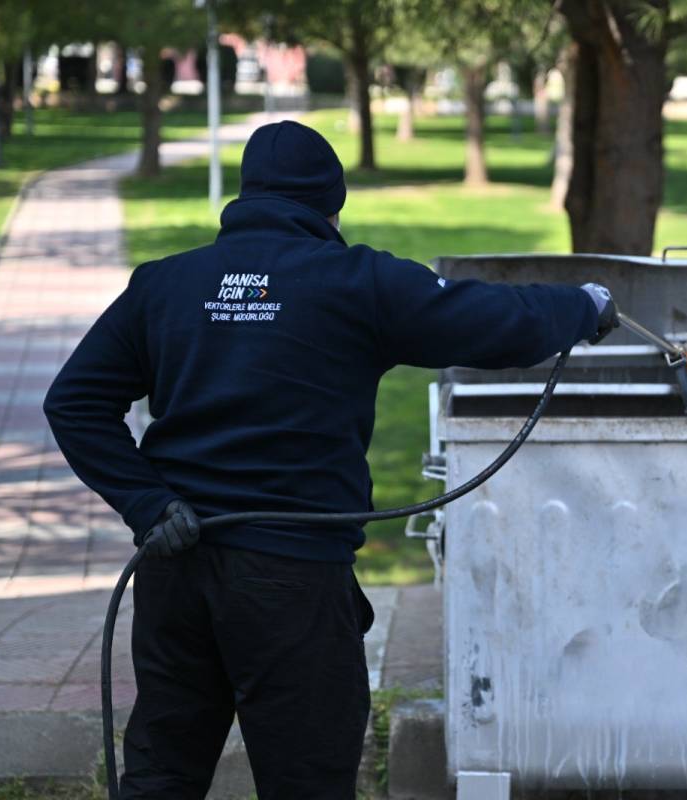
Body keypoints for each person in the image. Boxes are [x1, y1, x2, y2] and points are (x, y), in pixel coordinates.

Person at [43, 120, 618, 799]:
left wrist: (148, 503)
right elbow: (485, 317)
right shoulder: (356, 282)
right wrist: (581, 306)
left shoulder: (166, 284)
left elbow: (73, 402)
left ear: (246, 195)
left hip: (175, 570)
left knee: (162, 777)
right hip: (289, 582)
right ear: (330, 204)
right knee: (308, 782)